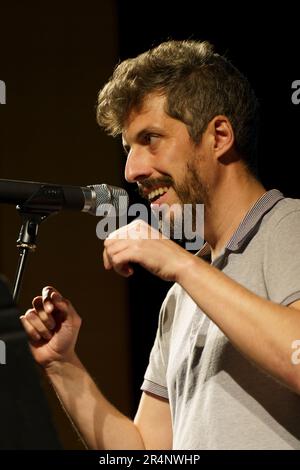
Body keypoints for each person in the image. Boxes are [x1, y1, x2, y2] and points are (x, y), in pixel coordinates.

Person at [20, 40, 300, 450]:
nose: (132, 170)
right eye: (129, 148)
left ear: (219, 136)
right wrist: (63, 365)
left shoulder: (288, 225)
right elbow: (150, 451)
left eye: (151, 139)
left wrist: (182, 266)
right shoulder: (182, 296)